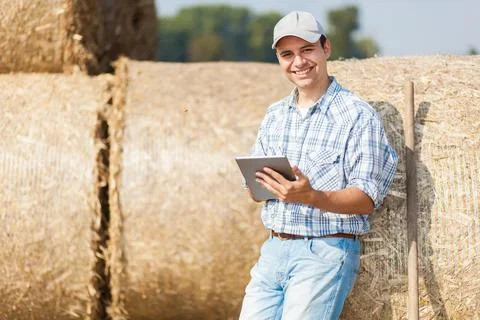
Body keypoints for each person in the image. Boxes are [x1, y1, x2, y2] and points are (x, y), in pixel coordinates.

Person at [239, 11, 398, 320]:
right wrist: (261, 186)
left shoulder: (357, 116)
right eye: (287, 54)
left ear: (326, 48)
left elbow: (366, 199)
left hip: (325, 253)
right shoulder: (274, 115)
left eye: (307, 49)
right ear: (279, 60)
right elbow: (255, 190)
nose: (298, 62)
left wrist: (311, 196)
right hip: (273, 250)